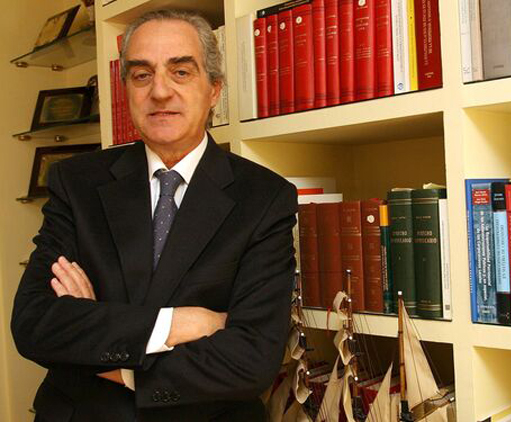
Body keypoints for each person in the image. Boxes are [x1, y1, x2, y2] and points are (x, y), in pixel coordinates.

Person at [11, 9, 297, 422]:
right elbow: (35, 323)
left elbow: (252, 360)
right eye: (142, 75)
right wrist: (176, 324)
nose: (160, 91)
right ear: (126, 88)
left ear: (214, 89)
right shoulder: (76, 183)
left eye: (180, 72)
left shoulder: (265, 198)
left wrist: (103, 347)